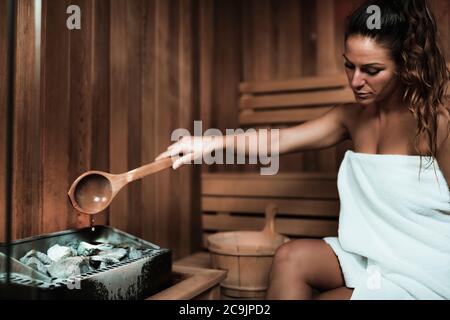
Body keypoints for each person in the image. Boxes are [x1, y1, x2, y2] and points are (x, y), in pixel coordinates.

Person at [156, 0, 450, 300]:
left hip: (423, 267)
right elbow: (277, 141)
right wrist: (210, 143)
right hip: (368, 254)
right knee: (289, 257)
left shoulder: (435, 125)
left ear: (405, 65)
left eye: (372, 70)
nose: (356, 80)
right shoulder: (350, 117)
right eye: (349, 65)